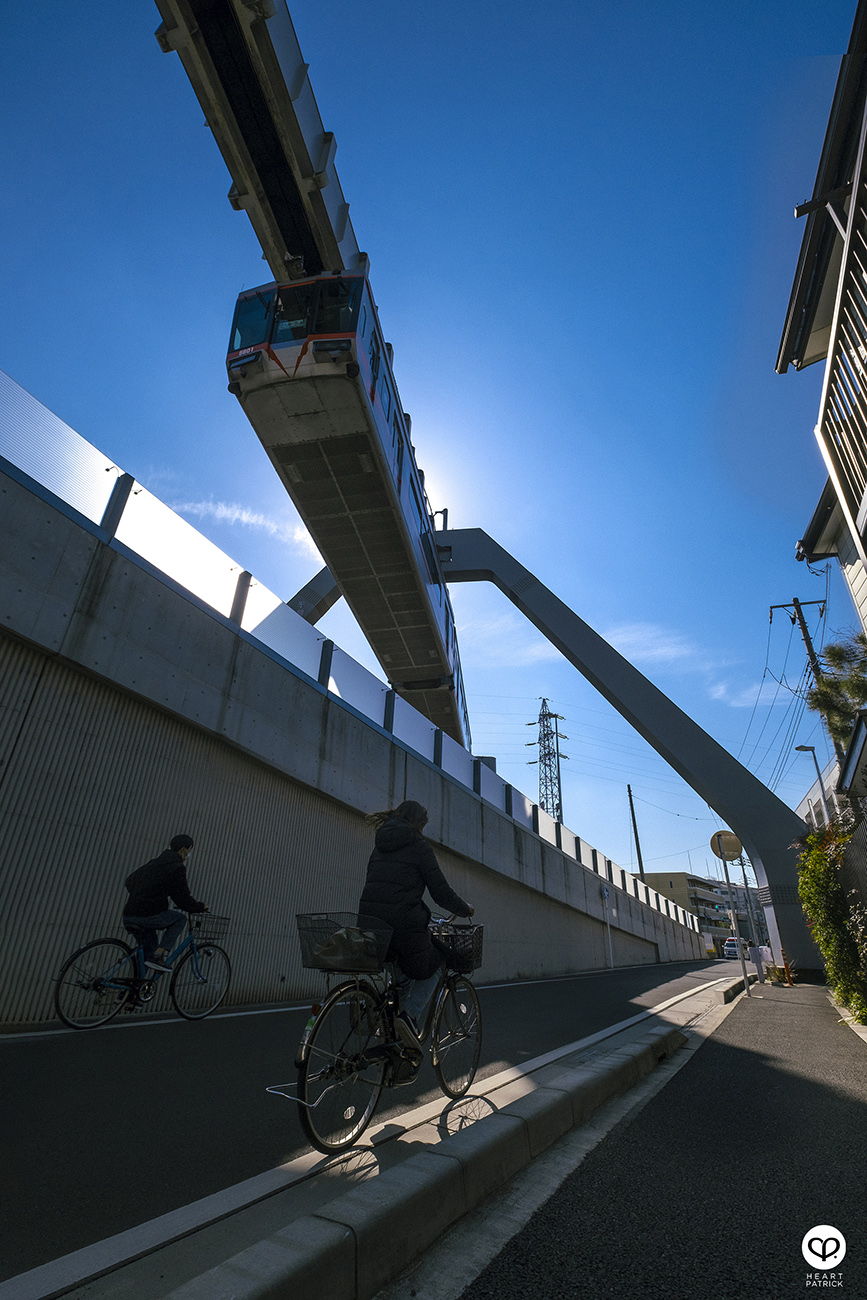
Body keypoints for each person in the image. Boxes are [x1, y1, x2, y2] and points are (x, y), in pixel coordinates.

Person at [358, 800, 473, 1051]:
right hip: (403, 926)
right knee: (440, 959)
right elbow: (440, 892)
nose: (423, 829)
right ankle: (409, 1017)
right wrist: (464, 909)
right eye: (424, 823)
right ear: (418, 822)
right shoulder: (418, 845)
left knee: (402, 978)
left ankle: (391, 1041)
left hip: (370, 925)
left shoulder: (380, 845)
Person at [123, 834, 207, 972]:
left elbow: (129, 881)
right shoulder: (177, 867)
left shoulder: (154, 862)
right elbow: (182, 898)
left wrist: (144, 895)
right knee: (180, 918)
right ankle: (159, 955)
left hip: (129, 914)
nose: (188, 854)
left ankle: (137, 988)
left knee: (148, 949)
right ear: (184, 850)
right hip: (148, 915)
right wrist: (200, 906)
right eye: (190, 850)